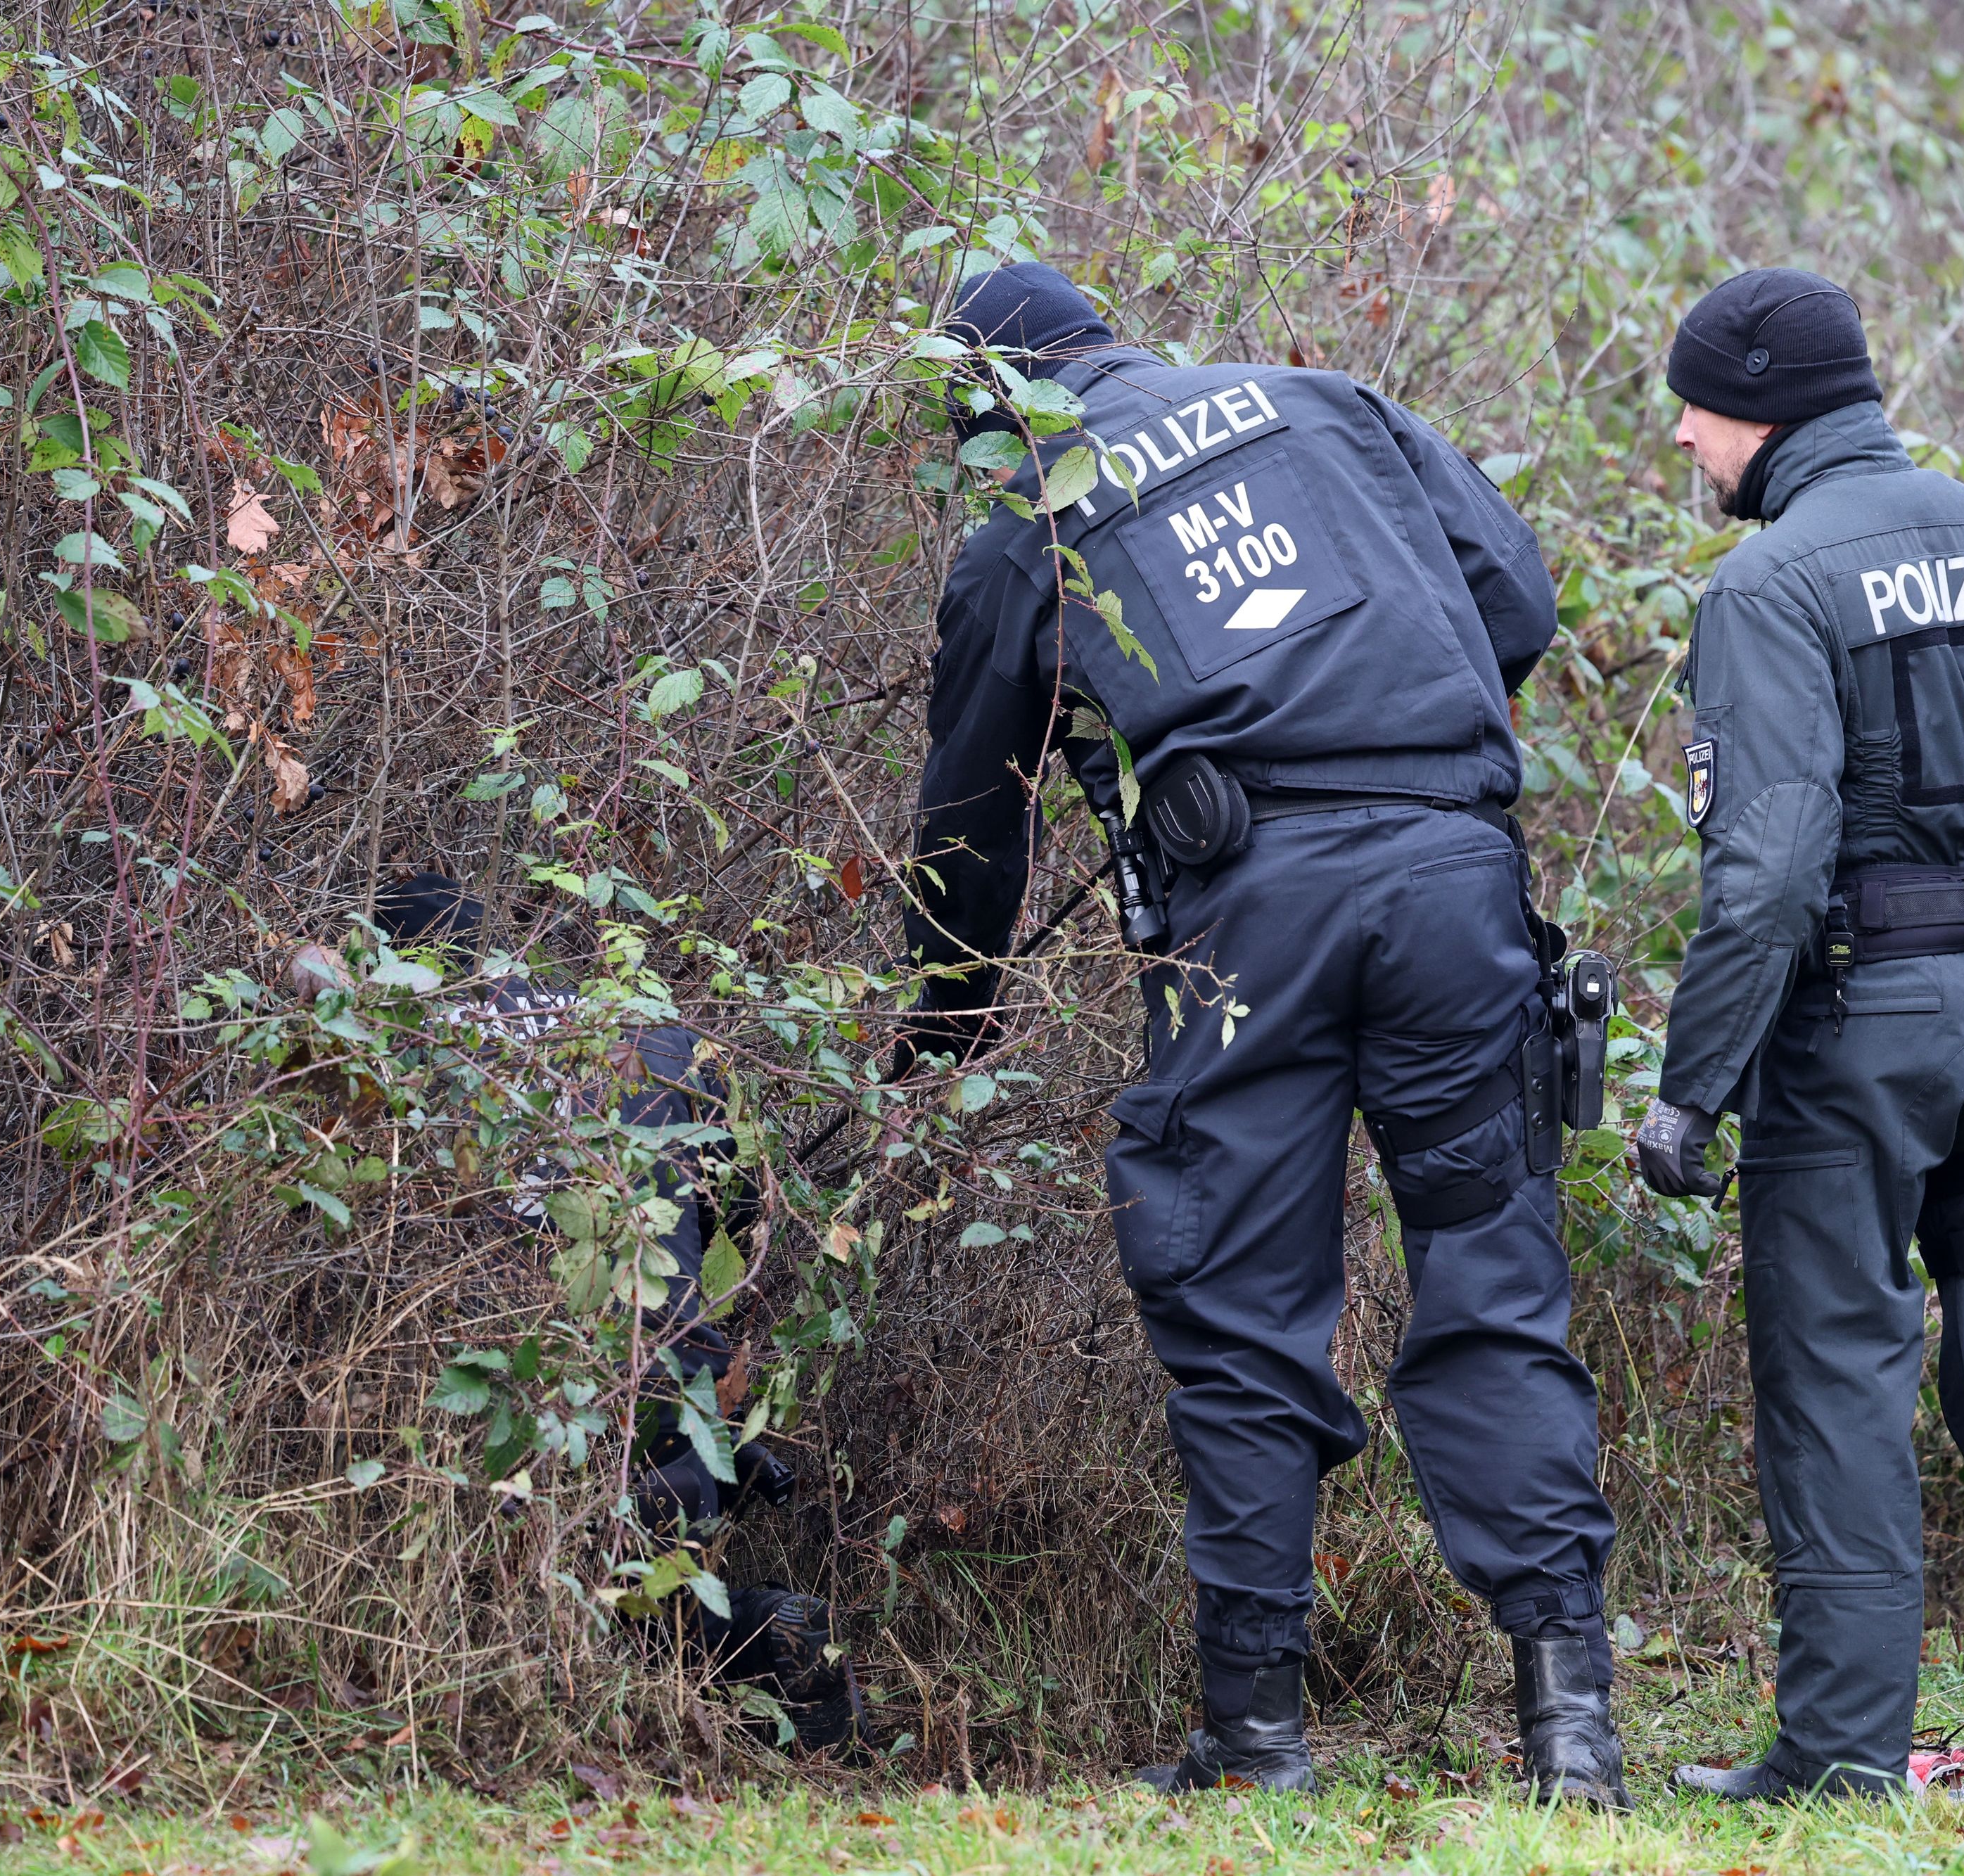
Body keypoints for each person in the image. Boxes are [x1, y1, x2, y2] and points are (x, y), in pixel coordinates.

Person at [900, 263, 1626, 1803]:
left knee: (1237, 1304)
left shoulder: (1025, 516)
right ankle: (1572, 1730)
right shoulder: (1326, 403)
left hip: (1254, 915)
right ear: (1112, 338)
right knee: (1492, 1278)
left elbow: (971, 815)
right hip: (1452, 877)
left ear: (988, 403)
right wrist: (1392, 737)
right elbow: (1514, 594)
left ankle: (1257, 1739)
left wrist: (943, 1016)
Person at [1629, 269, 1964, 1806]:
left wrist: (1691, 1094)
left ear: (1757, 407)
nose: (1679, 436)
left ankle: (1843, 1753)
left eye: (1691, 410)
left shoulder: (1769, 584)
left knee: (1836, 1367)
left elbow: (1768, 869)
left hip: (1853, 1036)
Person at [309, 874, 867, 1754]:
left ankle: (730, 1650)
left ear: (398, 963)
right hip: (681, 1391)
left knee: (601, 1597)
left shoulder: (404, 1037)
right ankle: (770, 1646)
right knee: (645, 1591)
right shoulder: (641, 1029)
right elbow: (743, 1224)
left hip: (535, 1402)